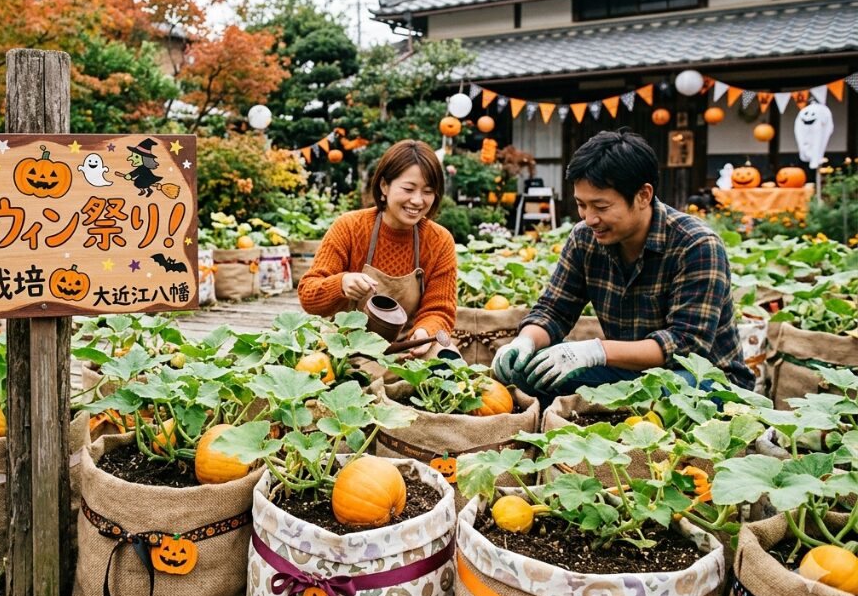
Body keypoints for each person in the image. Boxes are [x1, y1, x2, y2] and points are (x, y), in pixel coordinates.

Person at [492, 129, 754, 406]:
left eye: (601, 206)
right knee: (529, 372)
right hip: (628, 372)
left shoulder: (696, 245)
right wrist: (525, 342)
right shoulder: (585, 239)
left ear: (643, 195)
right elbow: (555, 309)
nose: (590, 218)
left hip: (705, 380)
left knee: (672, 395)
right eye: (582, 205)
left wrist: (595, 351)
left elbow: (686, 345)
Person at [298, 139, 457, 359]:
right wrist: (341, 284)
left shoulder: (440, 241)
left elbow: (439, 310)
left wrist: (424, 332)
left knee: (447, 357)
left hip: (406, 349)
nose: (418, 200)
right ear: (384, 186)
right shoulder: (350, 227)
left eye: (428, 191)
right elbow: (308, 294)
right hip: (347, 349)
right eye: (409, 189)